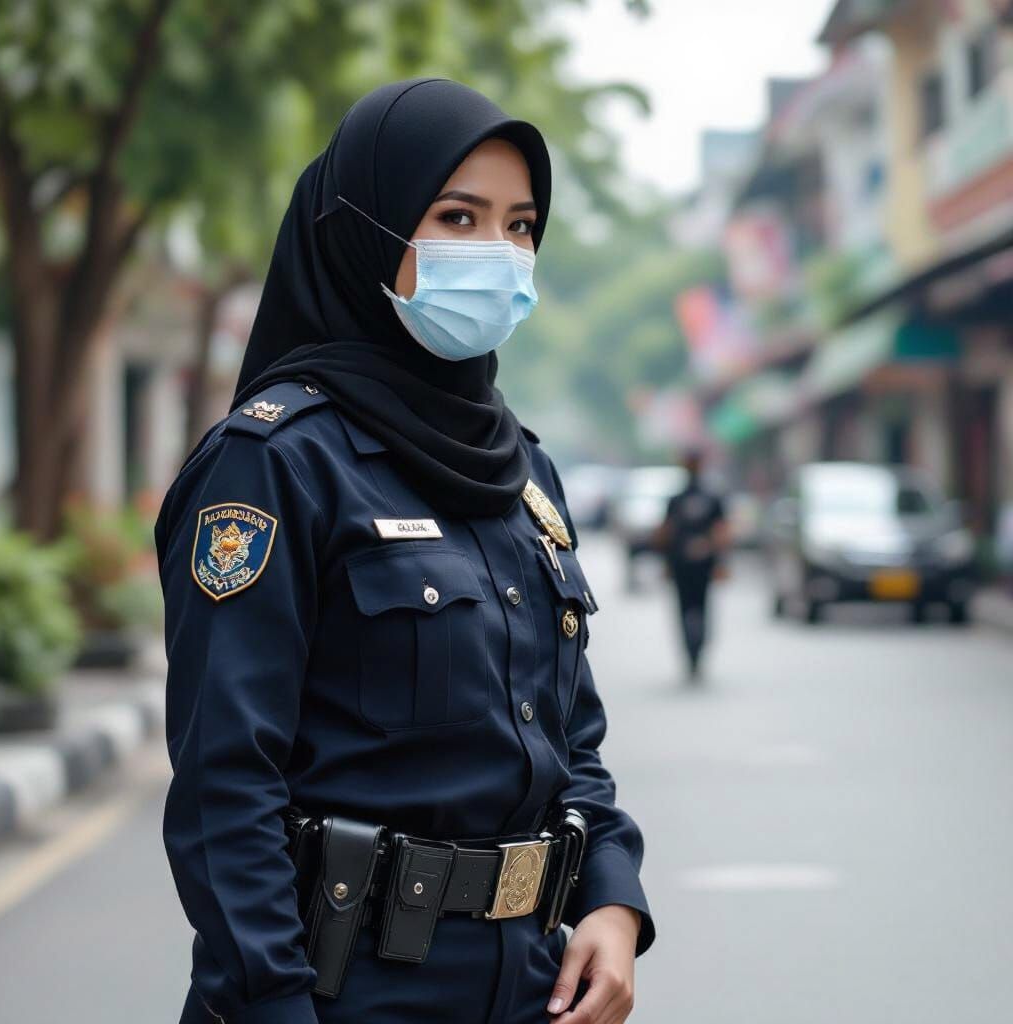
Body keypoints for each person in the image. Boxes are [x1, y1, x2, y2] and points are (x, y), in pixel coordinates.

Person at [154, 77, 655, 1024]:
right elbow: (227, 784)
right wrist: (273, 1005)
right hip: (341, 987)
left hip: (529, 983)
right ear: (364, 230)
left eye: (520, 226)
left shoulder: (522, 470)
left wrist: (611, 897)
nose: (498, 254)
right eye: (458, 217)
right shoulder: (274, 464)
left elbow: (569, 740)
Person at [651, 447, 730, 679]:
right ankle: (693, 653)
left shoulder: (702, 498)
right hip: (685, 565)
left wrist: (719, 560)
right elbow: (665, 533)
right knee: (692, 609)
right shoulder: (682, 499)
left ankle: (695, 652)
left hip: (696, 565)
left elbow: (721, 533)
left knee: (693, 608)